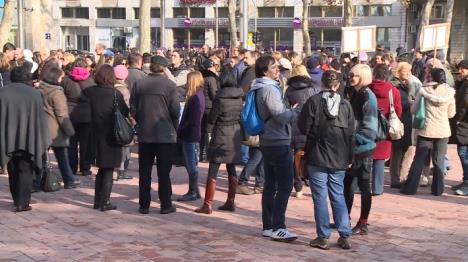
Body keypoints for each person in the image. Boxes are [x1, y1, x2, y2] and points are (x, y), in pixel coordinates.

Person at [298, 70, 354, 250]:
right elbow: (351, 133)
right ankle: (344, 233)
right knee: (337, 194)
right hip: (339, 156)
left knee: (320, 197)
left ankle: (323, 236)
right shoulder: (345, 105)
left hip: (317, 155)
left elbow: (303, 126)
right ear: (337, 85)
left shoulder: (313, 101)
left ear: (321, 83)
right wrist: (350, 156)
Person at [251, 55, 299, 242]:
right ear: (265, 71)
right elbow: (280, 115)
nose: (277, 69)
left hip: (269, 139)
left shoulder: (260, 86)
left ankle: (268, 225)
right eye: (274, 67)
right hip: (277, 140)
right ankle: (278, 226)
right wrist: (295, 111)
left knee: (270, 184)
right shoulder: (268, 89)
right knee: (285, 185)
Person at [131, 56, 180, 215]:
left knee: (144, 171)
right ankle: (165, 204)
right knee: (163, 172)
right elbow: (175, 111)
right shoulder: (170, 85)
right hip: (165, 134)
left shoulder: (139, 84)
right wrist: (173, 126)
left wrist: (141, 120)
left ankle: (144, 204)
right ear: (164, 68)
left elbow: (133, 108)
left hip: (145, 133)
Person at [0, 66, 50, 212]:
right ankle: (22, 202)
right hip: (29, 138)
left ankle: (17, 198)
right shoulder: (34, 94)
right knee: (26, 170)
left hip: (8, 139)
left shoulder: (2, 92)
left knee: (12, 169)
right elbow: (40, 118)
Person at [401, 68, 456, 196]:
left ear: (432, 77)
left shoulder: (424, 90)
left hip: (426, 130)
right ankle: (438, 189)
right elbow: (451, 114)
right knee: (439, 161)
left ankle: (410, 188)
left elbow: (414, 110)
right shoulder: (449, 92)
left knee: (419, 160)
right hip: (443, 130)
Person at [195, 70, 243, 214]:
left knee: (214, 169)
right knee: (231, 168)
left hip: (221, 134)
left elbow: (212, 119)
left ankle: (207, 204)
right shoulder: (239, 97)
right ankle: (230, 201)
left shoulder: (220, 99)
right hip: (235, 134)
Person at [83, 64, 129, 211]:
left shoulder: (88, 92)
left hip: (93, 134)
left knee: (101, 169)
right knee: (108, 169)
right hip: (111, 135)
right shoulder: (116, 94)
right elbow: (125, 112)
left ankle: (98, 201)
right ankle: (105, 201)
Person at [343, 64, 378, 235]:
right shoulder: (353, 94)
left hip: (363, 149)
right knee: (346, 185)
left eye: (353, 75)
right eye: (349, 74)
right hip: (351, 148)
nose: (350, 77)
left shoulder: (368, 97)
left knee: (364, 187)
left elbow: (370, 130)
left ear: (362, 76)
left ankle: (363, 222)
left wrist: (353, 139)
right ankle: (344, 219)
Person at [37, 65, 81, 189]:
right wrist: (70, 130)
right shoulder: (57, 93)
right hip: (55, 129)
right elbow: (62, 114)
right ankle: (68, 179)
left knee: (40, 158)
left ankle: (36, 182)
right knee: (62, 156)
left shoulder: (39, 89)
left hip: (41, 127)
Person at [285, 65, 321, 198]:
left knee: (296, 158)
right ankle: (314, 185)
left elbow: (285, 108)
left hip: (294, 126)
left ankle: (298, 186)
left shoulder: (289, 90)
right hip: (310, 127)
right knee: (311, 157)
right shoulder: (314, 89)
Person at [368, 64, 402, 195]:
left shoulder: (367, 89)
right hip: (385, 128)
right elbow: (398, 111)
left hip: (368, 125)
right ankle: (377, 188)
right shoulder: (393, 91)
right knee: (380, 159)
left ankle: (360, 186)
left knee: (365, 157)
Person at [62, 58, 95, 177]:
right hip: (87, 115)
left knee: (72, 143)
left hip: (70, 114)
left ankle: (72, 167)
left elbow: (62, 96)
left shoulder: (66, 80)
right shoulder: (91, 81)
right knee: (86, 143)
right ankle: (85, 168)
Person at [177, 72, 205, 202]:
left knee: (191, 163)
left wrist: (181, 128)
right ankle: (195, 191)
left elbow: (192, 120)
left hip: (190, 134)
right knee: (191, 162)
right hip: (192, 133)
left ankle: (193, 191)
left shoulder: (195, 97)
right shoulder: (198, 95)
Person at [389, 62, 418, 188]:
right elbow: (396, 104)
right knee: (397, 151)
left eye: (409, 71)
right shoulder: (393, 85)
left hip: (410, 121)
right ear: (398, 72)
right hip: (399, 121)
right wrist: (411, 102)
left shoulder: (410, 84)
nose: (407, 74)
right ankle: (395, 179)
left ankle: (403, 176)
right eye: (405, 71)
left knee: (409, 150)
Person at [114, 65, 134, 180]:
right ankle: (121, 170)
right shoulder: (123, 90)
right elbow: (127, 107)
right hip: (123, 121)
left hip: (112, 120)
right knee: (125, 146)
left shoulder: (111, 87)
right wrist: (132, 121)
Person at [200, 57, 221, 162]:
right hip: (209, 107)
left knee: (201, 131)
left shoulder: (200, 76)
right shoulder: (211, 78)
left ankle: (200, 154)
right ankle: (207, 155)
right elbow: (214, 94)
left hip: (201, 106)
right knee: (208, 131)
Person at [453, 59, 468, 195]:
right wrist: (458, 81)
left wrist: (460, 118)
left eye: (463, 68)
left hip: (465, 124)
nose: (460, 71)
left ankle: (467, 184)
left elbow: (465, 103)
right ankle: (465, 180)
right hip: (462, 124)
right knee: (462, 152)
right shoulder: (464, 82)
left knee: (464, 154)